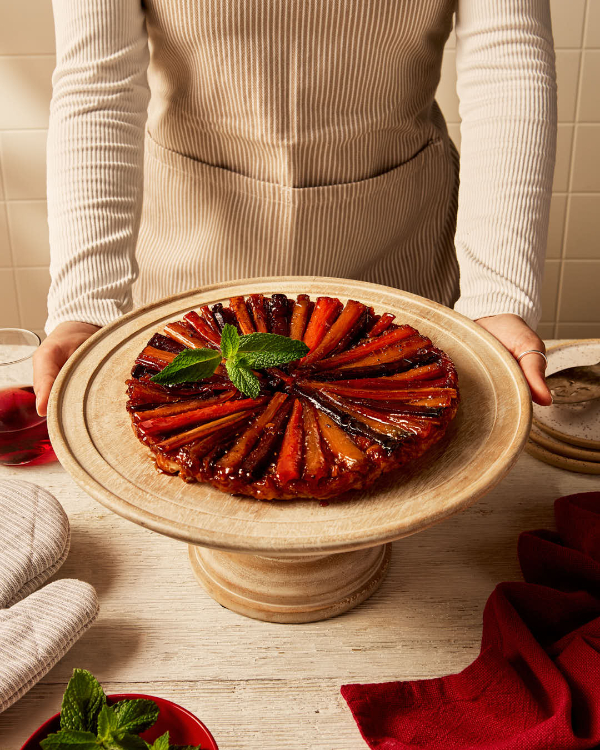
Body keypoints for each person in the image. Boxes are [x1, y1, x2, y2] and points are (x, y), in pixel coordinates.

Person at [34, 0, 557, 415]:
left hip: (398, 241)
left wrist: (497, 293)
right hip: (193, 247)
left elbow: (506, 57)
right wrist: (86, 305)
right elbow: (98, 84)